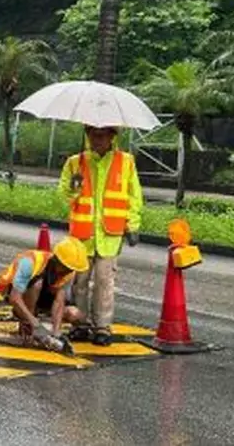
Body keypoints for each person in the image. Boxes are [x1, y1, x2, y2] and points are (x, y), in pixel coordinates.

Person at [58, 125, 144, 346]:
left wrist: (133, 225)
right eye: (92, 134)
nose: (96, 139)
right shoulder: (75, 163)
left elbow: (134, 196)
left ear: (112, 136)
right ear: (86, 135)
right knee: (80, 283)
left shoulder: (126, 162)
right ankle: (81, 324)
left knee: (105, 282)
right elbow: (64, 197)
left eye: (101, 135)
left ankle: (102, 327)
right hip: (82, 235)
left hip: (110, 233)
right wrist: (74, 187)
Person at [0, 237, 90, 352]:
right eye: (66, 268)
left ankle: (39, 323)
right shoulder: (30, 262)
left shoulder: (68, 272)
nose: (68, 272)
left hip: (42, 296)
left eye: (71, 269)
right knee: (37, 284)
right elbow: (14, 298)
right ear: (57, 260)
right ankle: (26, 324)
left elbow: (59, 302)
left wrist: (56, 333)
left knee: (74, 314)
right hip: (14, 290)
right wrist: (34, 323)